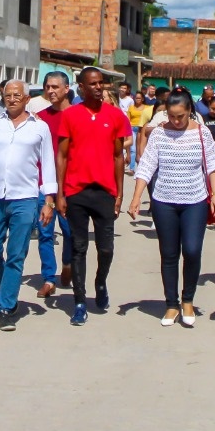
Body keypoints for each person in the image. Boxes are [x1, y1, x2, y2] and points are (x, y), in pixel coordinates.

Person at [128, 87, 215, 326]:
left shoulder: (202, 133)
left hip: (195, 201)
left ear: (190, 111)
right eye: (171, 116)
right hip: (164, 201)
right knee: (169, 254)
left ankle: (187, 300)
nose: (176, 120)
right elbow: (147, 166)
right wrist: (136, 197)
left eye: (180, 116)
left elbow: (213, 164)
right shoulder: (160, 134)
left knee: (191, 250)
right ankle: (171, 304)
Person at [0, 80, 57, 332]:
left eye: (17, 95)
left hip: (26, 199)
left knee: (16, 255)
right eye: (7, 95)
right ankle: (8, 289)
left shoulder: (39, 128)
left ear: (27, 99)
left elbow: (48, 165)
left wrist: (49, 200)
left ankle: (5, 308)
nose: (12, 99)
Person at [55, 66, 132, 325]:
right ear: (82, 87)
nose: (99, 87)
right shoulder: (70, 116)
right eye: (94, 84)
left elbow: (118, 156)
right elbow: (62, 155)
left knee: (106, 248)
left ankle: (100, 282)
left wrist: (120, 193)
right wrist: (60, 193)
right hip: (76, 191)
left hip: (105, 192)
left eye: (102, 83)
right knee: (78, 247)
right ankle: (79, 301)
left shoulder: (115, 116)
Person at [33, 70, 75, 298]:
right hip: (44, 185)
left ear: (67, 89)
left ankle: (68, 263)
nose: (50, 91)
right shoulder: (39, 118)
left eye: (55, 87)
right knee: (45, 233)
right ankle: (49, 278)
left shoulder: (78, 115)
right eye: (47, 86)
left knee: (70, 232)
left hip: (71, 186)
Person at [126, 87, 154, 167]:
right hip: (132, 128)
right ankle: (132, 167)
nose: (137, 99)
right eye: (136, 98)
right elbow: (128, 119)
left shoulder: (147, 108)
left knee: (142, 146)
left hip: (141, 128)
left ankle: (140, 164)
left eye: (139, 98)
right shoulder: (131, 107)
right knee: (133, 149)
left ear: (142, 99)